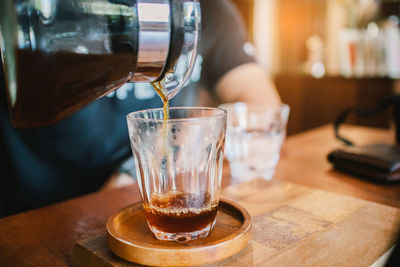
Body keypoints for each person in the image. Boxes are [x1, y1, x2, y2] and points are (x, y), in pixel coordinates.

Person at [0, 0, 281, 217]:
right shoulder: (54, 10)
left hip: (146, 196)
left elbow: (262, 105)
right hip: (35, 209)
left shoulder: (206, 10)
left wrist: (143, 166)